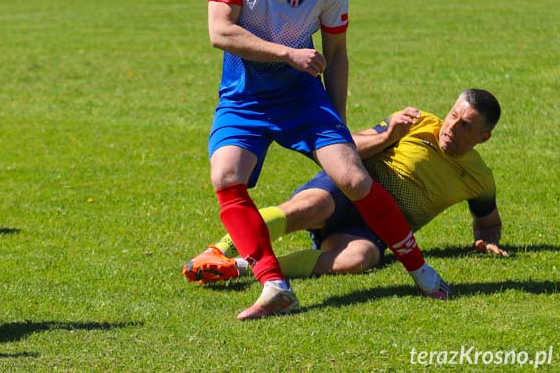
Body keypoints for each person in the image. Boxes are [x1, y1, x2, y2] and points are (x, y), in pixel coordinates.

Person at [206, 0, 448, 321]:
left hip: (302, 99)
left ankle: (421, 269)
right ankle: (274, 285)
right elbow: (219, 32)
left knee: (353, 177)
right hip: (242, 97)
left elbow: (336, 56)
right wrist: (287, 54)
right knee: (225, 176)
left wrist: (336, 124)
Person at [185, 90, 507, 284]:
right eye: (453, 115)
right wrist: (388, 136)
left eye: (465, 125)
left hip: (375, 229)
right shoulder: (418, 121)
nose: (451, 126)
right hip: (348, 190)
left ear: (484, 137)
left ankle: (240, 268)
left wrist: (486, 240)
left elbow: (487, 221)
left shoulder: (479, 178)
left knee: (361, 259)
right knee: (311, 207)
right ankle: (217, 250)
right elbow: (344, 146)